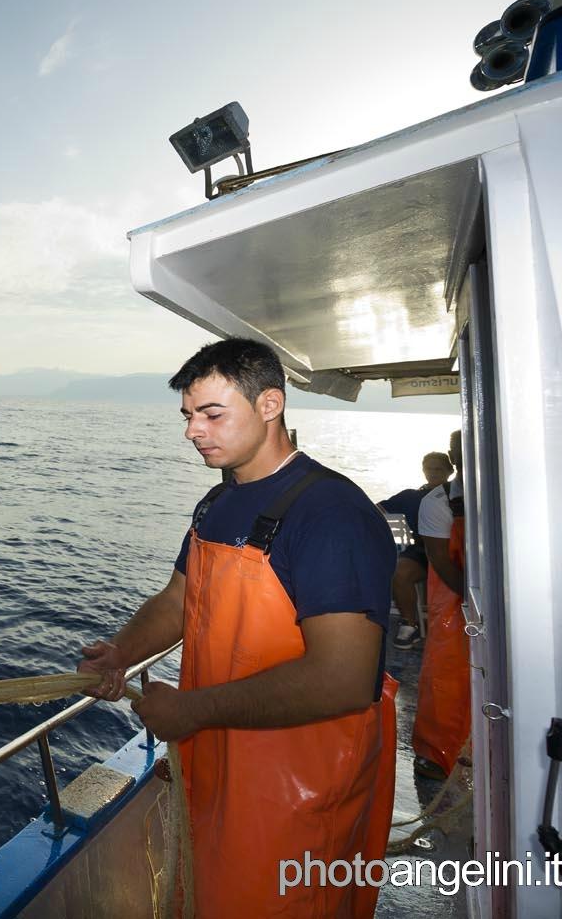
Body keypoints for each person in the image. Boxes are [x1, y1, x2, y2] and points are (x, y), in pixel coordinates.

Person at [78, 338, 397, 917]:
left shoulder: (331, 514)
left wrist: (192, 711)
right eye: (188, 416)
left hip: (297, 794)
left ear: (270, 404)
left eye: (211, 414)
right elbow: (179, 600)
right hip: (220, 772)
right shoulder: (216, 504)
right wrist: (122, 651)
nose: (193, 431)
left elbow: (345, 678)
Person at [411, 430, 470, 779]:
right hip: (453, 602)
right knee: (446, 675)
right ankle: (437, 753)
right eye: (462, 449)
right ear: (453, 456)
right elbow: (441, 561)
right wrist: (480, 600)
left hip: (499, 603)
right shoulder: (438, 502)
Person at [378, 451, 453, 648]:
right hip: (422, 554)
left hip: (454, 554)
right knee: (399, 570)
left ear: (450, 471)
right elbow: (375, 510)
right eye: (429, 468)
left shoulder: (459, 497)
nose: (433, 473)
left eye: (439, 469)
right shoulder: (410, 496)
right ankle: (410, 625)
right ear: (423, 471)